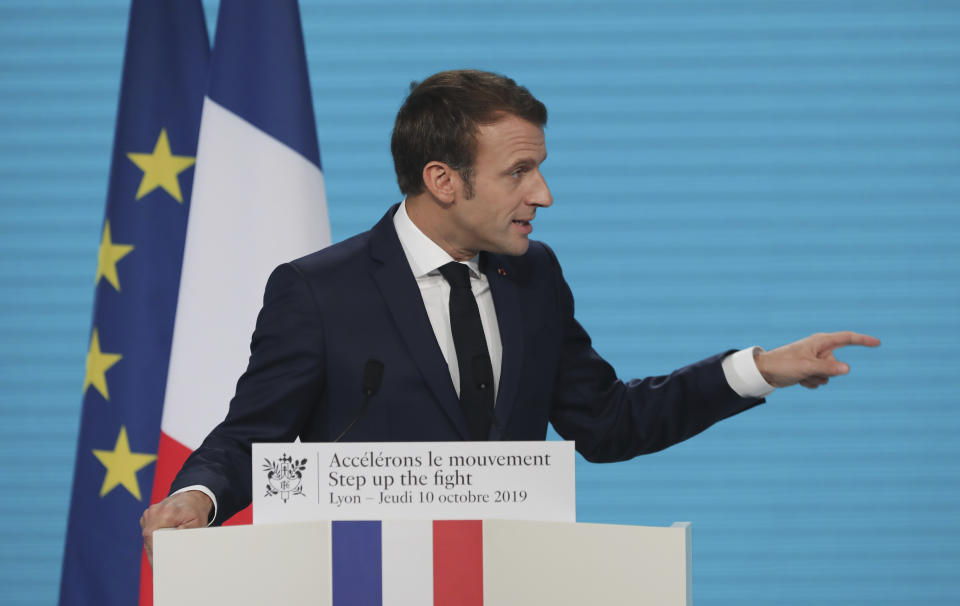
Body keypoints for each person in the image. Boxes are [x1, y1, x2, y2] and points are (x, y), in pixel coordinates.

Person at [140, 70, 879, 560]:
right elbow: (252, 435)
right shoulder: (319, 291)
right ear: (443, 180)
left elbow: (609, 422)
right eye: (519, 172)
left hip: (510, 582)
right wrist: (197, 498)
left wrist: (759, 371)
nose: (544, 194)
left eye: (541, 167)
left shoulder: (534, 276)